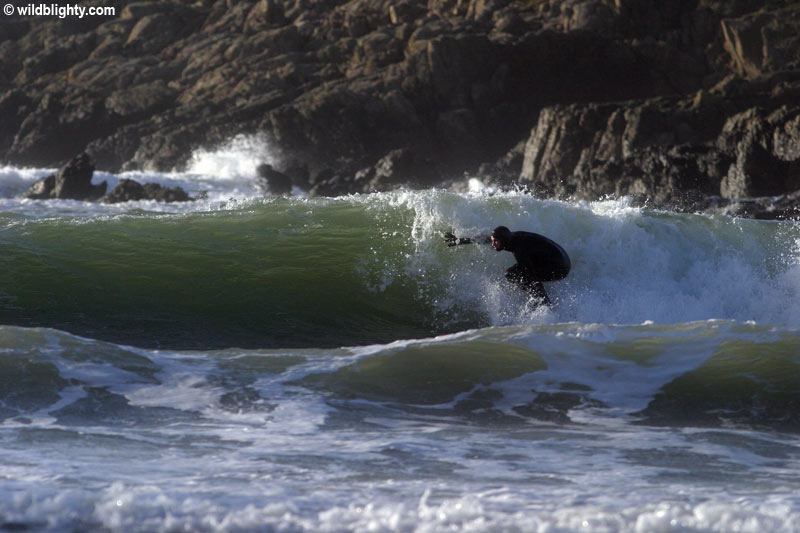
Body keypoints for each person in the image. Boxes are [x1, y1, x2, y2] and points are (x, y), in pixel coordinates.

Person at [444, 226, 571, 305]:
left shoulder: (520, 249)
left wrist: (543, 300)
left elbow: (531, 275)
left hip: (559, 268)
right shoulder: (509, 238)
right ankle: (541, 298)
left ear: (504, 240)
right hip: (552, 259)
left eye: (496, 242)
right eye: (493, 241)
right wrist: (459, 241)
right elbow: (485, 239)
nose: (493, 245)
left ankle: (543, 303)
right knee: (517, 273)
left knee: (514, 274)